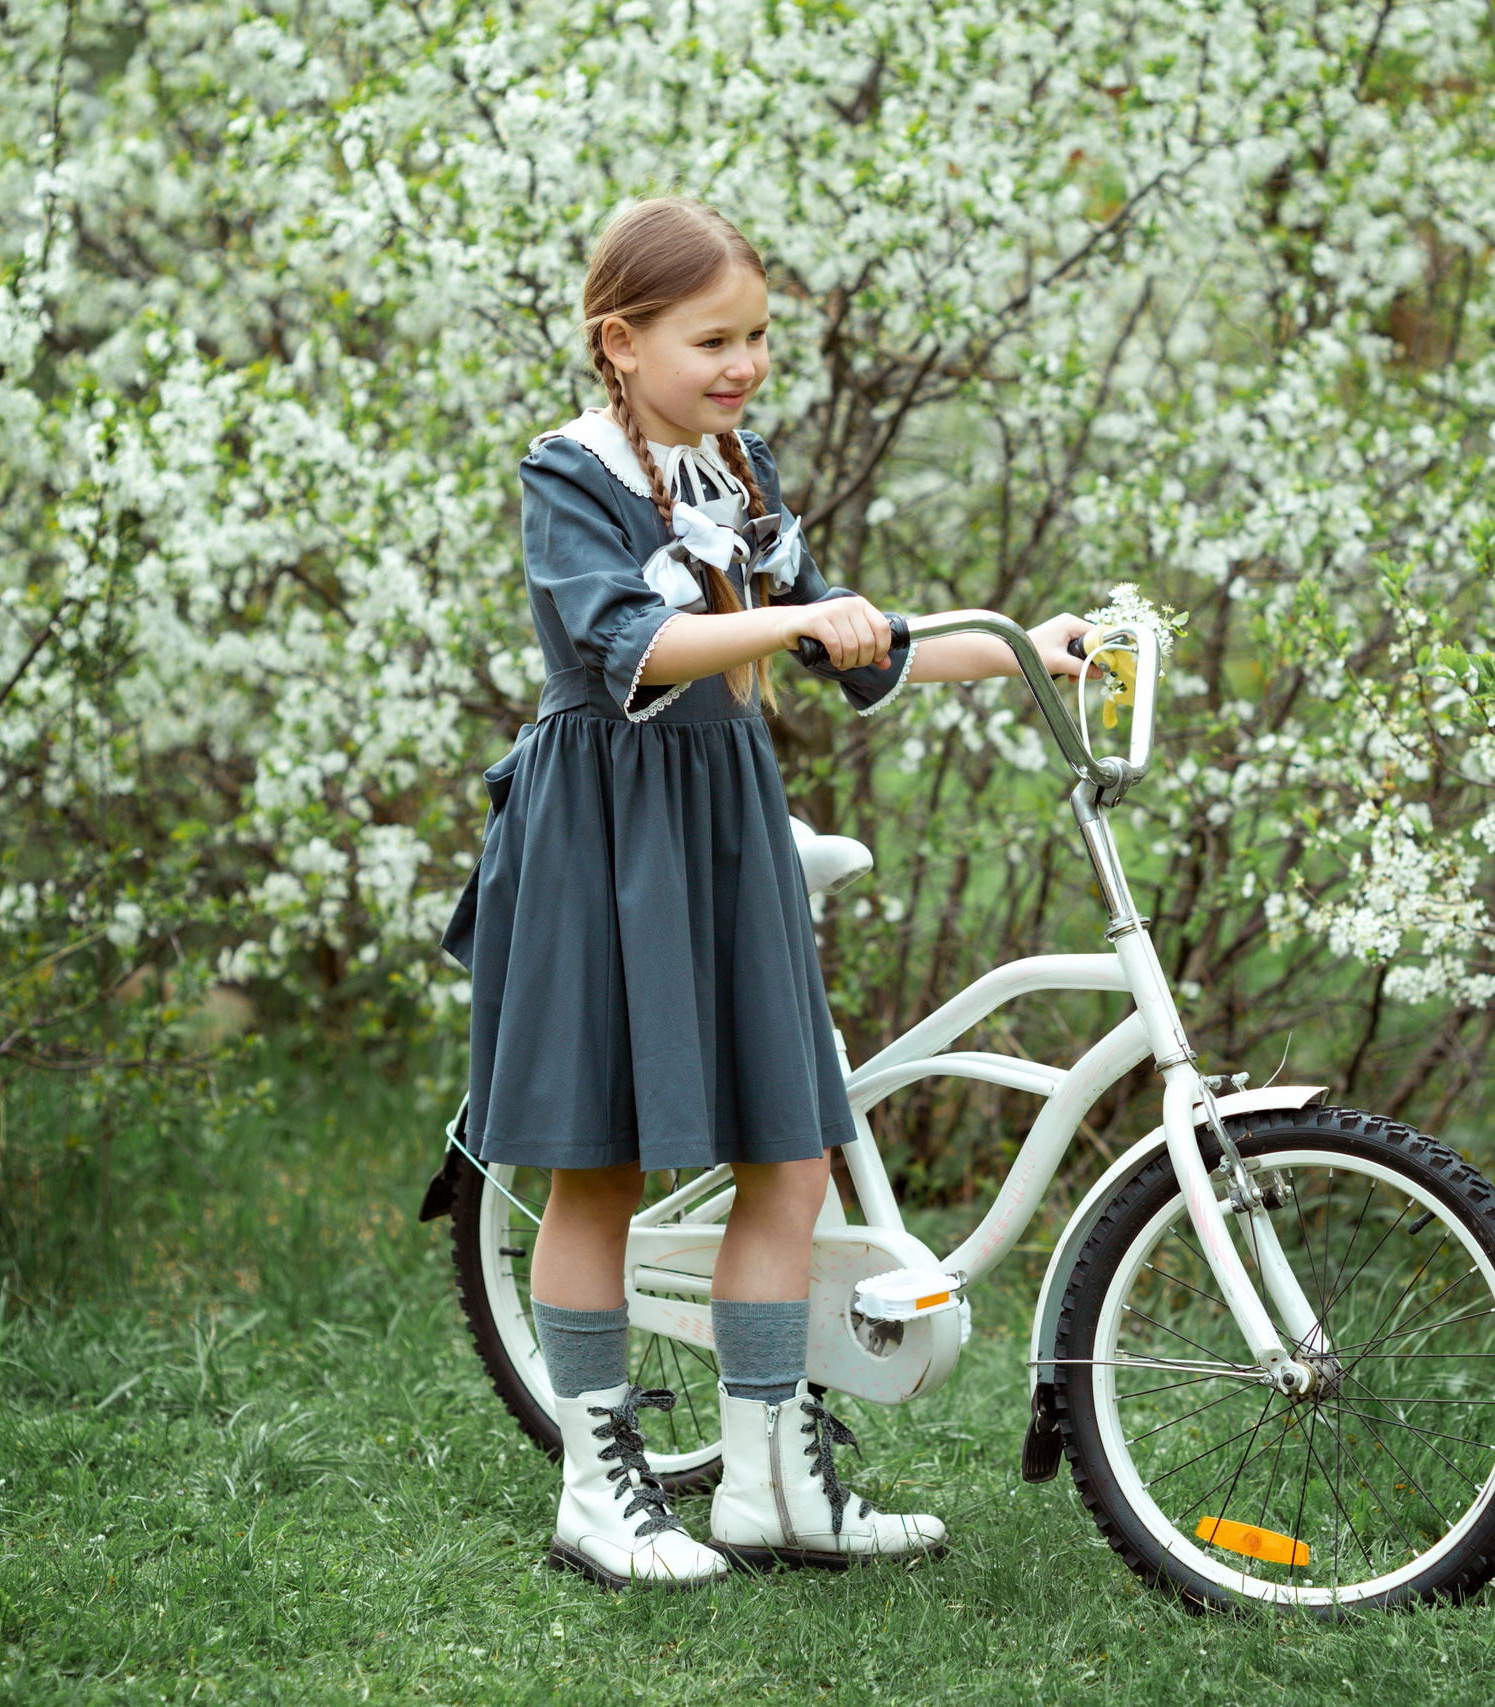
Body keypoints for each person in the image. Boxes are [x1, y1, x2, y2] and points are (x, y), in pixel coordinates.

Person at [446, 197, 1091, 1589]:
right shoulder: (571, 475)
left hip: (726, 820)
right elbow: (638, 642)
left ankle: (768, 1490)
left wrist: (1027, 648)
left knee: (789, 1163)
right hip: (604, 830)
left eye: (757, 340)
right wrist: (793, 618)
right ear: (621, 342)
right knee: (600, 1170)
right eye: (711, 340)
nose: (741, 367)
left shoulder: (737, 471)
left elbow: (868, 657)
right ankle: (597, 1492)